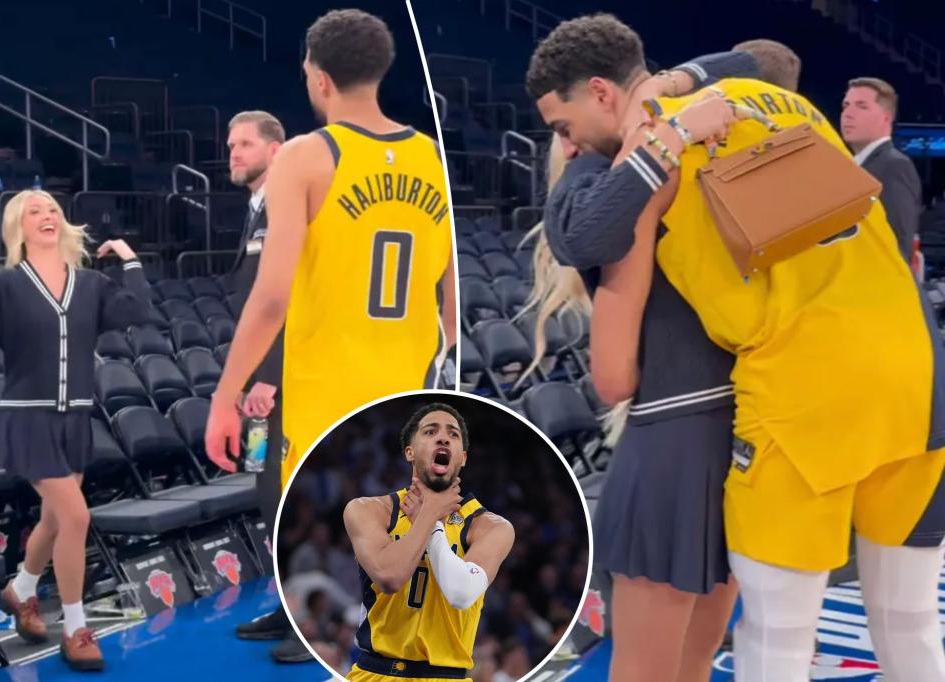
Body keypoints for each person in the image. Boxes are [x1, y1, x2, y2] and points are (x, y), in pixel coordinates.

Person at [526, 13, 945, 680]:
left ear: (602, 93)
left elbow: (609, 358)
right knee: (895, 621)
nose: (568, 144)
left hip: (749, 412)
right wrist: (679, 104)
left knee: (750, 644)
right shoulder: (780, 107)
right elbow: (751, 62)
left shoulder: (645, 160)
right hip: (854, 385)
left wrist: (667, 128)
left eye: (562, 126)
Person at [205, 9, 455, 662]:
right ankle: (311, 613)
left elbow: (271, 295)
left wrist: (224, 395)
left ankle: (328, 625)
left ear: (316, 78)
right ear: (381, 69)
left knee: (316, 512)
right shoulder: (430, 155)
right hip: (398, 378)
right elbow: (446, 276)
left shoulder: (308, 155)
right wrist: (445, 354)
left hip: (322, 382)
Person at [0, 190, 152, 672]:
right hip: (27, 419)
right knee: (75, 518)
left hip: (75, 420)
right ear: (18, 229)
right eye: (34, 212)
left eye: (52, 209)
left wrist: (131, 260)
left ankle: (22, 589)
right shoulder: (5, 285)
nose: (47, 216)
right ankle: (74, 626)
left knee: (55, 519)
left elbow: (136, 311)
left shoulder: (90, 283)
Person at [342, 403, 514, 682]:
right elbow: (389, 576)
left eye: (453, 435)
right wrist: (430, 512)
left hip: (446, 676)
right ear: (409, 451)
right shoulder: (369, 510)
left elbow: (461, 594)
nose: (443, 438)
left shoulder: (490, 527)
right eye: (430, 431)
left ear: (463, 457)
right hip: (375, 672)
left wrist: (431, 523)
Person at [223, 109, 290, 645]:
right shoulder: (256, 209)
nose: (234, 153)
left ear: (275, 148)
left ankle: (315, 614)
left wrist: (267, 376)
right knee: (270, 494)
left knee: (290, 496)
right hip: (264, 387)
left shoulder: (288, 209)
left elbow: (292, 302)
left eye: (245, 143)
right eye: (230, 146)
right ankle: (291, 606)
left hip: (289, 384)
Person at [841, 76, 923, 262]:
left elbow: (898, 245)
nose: (848, 114)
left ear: (886, 118)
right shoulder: (856, 166)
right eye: (846, 105)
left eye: (861, 106)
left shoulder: (894, 166)